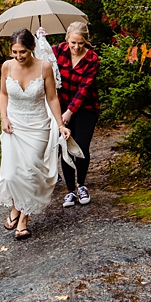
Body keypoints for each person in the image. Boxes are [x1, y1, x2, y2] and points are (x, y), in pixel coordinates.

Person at [0, 28, 73, 240]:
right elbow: (3, 94)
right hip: (13, 126)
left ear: (32, 48)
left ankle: (23, 218)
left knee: (30, 173)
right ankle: (15, 206)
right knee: (12, 175)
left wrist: (60, 125)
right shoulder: (6, 66)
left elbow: (52, 99)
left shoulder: (44, 67)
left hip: (38, 126)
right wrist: (3, 118)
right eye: (14, 52)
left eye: (22, 51)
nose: (18, 56)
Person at [53, 21, 99, 208]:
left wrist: (70, 111)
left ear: (85, 41)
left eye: (80, 43)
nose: (76, 47)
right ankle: (70, 191)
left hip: (85, 107)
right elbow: (38, 58)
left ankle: (81, 185)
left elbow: (85, 88)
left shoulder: (92, 59)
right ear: (67, 40)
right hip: (60, 106)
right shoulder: (57, 51)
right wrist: (39, 39)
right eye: (73, 43)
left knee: (80, 145)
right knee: (65, 145)